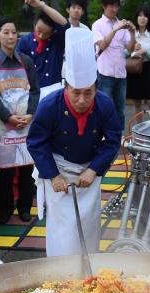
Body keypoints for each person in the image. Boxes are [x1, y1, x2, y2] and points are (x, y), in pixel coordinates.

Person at [27, 32, 121, 256]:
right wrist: (52, 174)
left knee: (89, 226)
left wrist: (94, 169)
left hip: (89, 169)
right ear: (65, 87)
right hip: (58, 167)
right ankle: (60, 275)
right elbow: (36, 142)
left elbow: (113, 140)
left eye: (88, 93)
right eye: (76, 93)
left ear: (96, 89)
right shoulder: (50, 105)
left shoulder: (104, 104)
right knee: (63, 230)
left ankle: (88, 276)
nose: (82, 100)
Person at [0, 15, 39, 224]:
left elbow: (34, 91)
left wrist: (30, 114)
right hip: (4, 124)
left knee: (26, 167)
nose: (10, 36)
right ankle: (5, 210)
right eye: (6, 33)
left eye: (14, 32)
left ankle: (25, 207)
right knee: (6, 170)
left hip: (26, 123)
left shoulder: (26, 61)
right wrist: (9, 117)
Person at [94, 0, 136, 130]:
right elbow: (102, 45)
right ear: (104, 6)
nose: (114, 8)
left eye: (116, 6)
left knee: (120, 110)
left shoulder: (121, 25)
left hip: (121, 73)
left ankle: (117, 140)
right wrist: (115, 29)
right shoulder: (98, 25)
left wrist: (133, 32)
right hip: (104, 73)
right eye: (111, 5)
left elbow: (130, 49)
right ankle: (101, 137)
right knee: (103, 108)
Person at [17, 0, 69, 95]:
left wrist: (41, 5)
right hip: (31, 90)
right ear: (34, 24)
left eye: (46, 34)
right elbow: (19, 67)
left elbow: (65, 25)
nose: (41, 36)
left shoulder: (56, 40)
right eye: (39, 31)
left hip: (53, 89)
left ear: (53, 32)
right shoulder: (25, 41)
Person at [127, 6, 150, 116]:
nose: (142, 18)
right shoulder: (131, 33)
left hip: (147, 68)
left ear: (148, 18)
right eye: (140, 15)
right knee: (137, 103)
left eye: (145, 16)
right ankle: (138, 129)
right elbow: (124, 52)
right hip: (134, 69)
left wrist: (145, 52)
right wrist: (133, 51)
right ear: (136, 18)